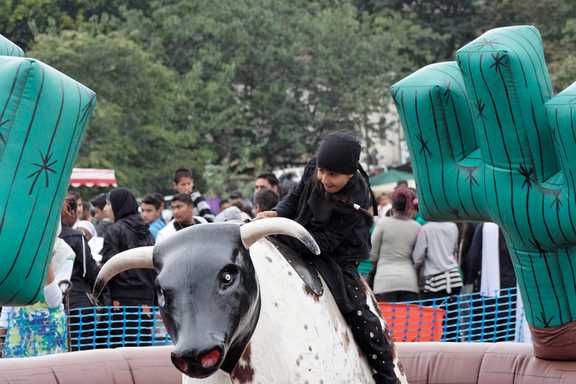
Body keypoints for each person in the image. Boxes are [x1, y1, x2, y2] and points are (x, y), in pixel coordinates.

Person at [256, 132, 397, 383]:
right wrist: (276, 214)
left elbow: (327, 242)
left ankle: (385, 371)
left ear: (350, 174)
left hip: (337, 253)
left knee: (356, 309)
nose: (324, 179)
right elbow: (296, 197)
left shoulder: (357, 199)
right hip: (297, 231)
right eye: (322, 171)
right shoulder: (314, 169)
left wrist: (286, 232)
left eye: (333, 175)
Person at [101, 188, 156, 346]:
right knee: (142, 348)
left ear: (118, 206)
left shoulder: (114, 230)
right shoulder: (147, 232)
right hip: (146, 301)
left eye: (108, 204)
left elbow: (109, 267)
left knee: (122, 350)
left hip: (121, 302)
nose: (106, 209)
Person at [60, 193, 102, 351]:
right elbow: (88, 270)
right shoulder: (76, 237)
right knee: (82, 349)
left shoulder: (43, 236)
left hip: (49, 302)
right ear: (70, 212)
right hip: (77, 300)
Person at [370, 188, 421, 302]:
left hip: (384, 281)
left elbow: (372, 254)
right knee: (407, 319)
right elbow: (418, 257)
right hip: (409, 282)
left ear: (393, 205)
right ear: (410, 207)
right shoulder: (416, 227)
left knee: (387, 319)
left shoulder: (382, 224)